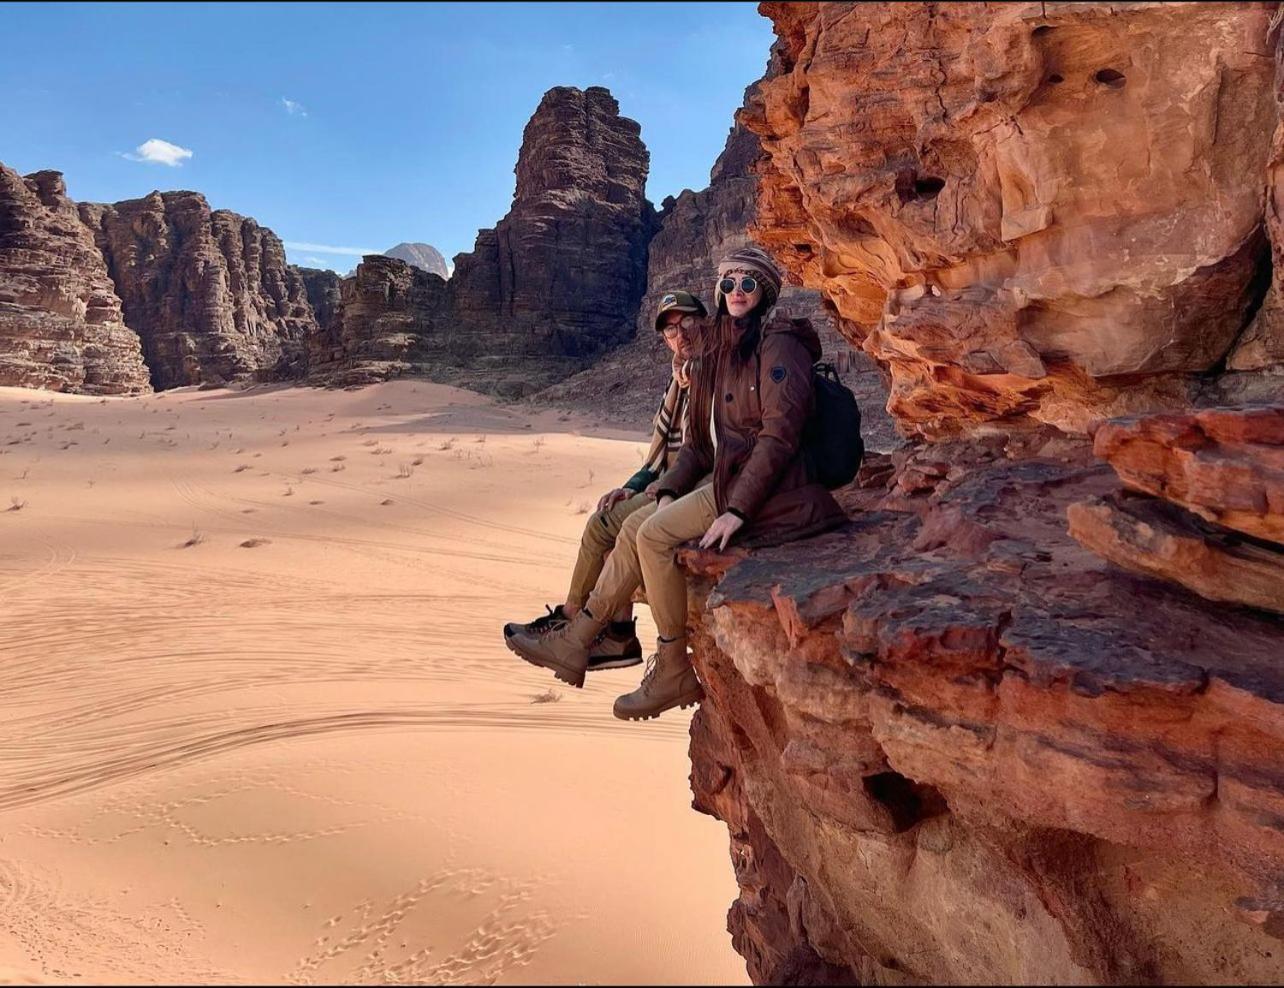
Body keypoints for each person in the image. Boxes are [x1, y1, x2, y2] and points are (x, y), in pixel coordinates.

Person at [506, 247, 846, 720]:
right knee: (631, 526)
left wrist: (738, 509)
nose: (736, 292)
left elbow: (778, 437)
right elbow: (701, 448)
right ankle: (582, 637)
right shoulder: (728, 350)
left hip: (768, 490)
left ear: (764, 292)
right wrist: (665, 488)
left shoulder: (777, 345)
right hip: (728, 479)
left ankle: (664, 665)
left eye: (748, 284)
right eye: (728, 283)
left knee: (650, 533)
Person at [502, 289, 707, 671]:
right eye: (670, 331)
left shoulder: (709, 374)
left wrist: (661, 487)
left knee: (620, 531)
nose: (679, 335)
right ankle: (591, 624)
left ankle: (598, 632)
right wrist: (631, 485)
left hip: (693, 484)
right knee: (601, 520)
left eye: (686, 323)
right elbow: (659, 453)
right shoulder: (678, 381)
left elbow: (703, 451)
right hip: (669, 479)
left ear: (705, 321)